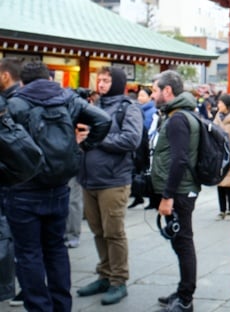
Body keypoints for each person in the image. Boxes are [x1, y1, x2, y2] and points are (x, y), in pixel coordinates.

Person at [3, 61, 111, 312]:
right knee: (56, 249)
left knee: (28, 253)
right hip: (60, 186)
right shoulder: (67, 99)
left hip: (24, 188)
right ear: (49, 78)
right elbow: (103, 120)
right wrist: (81, 148)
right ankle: (62, 305)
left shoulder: (15, 104)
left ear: (22, 82)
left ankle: (39, 307)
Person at [75, 66, 143, 305]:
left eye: (106, 80)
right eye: (99, 80)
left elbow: (132, 139)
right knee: (97, 231)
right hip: (88, 178)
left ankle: (118, 280)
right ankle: (104, 274)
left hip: (114, 180)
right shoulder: (94, 106)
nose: (101, 84)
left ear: (116, 83)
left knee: (114, 232)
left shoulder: (128, 107)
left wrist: (95, 136)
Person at [151, 70, 202, 312]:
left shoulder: (178, 119)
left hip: (180, 192)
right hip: (182, 189)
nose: (152, 95)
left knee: (183, 242)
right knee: (181, 242)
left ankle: (185, 299)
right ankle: (183, 290)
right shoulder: (181, 115)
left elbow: (179, 159)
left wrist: (167, 195)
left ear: (167, 91)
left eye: (154, 90)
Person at [0, 58, 22, 305]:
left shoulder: (12, 104)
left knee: (8, 233)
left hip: (10, 177)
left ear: (6, 76)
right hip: (18, 176)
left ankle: (9, 286)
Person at [129, 86, 158, 209]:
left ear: (149, 97)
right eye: (139, 95)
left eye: (143, 95)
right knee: (137, 171)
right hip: (137, 144)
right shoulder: (136, 109)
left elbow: (151, 129)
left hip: (147, 144)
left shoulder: (152, 111)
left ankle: (152, 199)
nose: (140, 98)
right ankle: (138, 196)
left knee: (147, 172)